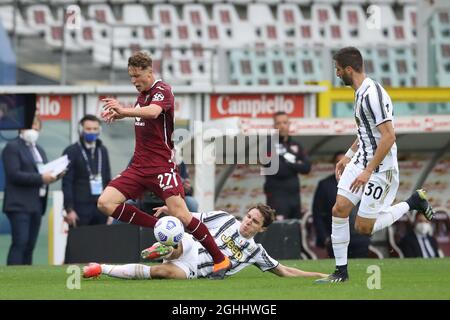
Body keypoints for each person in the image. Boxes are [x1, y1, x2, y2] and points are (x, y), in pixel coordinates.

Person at [97, 51, 230, 279]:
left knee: (183, 215)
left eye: (137, 76)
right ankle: (160, 227)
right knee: (105, 203)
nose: (134, 81)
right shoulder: (142, 96)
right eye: (131, 77)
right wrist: (121, 116)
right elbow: (144, 118)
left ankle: (220, 258)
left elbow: (153, 112)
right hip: (138, 166)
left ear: (150, 72)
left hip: (161, 167)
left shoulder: (162, 90)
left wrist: (124, 110)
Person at [316, 47, 435, 283]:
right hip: (361, 160)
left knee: (363, 228)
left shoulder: (373, 94)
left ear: (349, 69)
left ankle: (413, 202)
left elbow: (389, 136)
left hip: (380, 168)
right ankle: (341, 272)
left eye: (338, 69)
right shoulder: (360, 92)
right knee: (339, 209)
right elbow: (365, 132)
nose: (337, 74)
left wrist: (368, 171)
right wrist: (349, 155)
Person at [82, 204, 327, 280]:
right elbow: (189, 217)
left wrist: (317, 275)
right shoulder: (224, 218)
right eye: (248, 216)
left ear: (262, 229)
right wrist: (171, 208)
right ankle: (168, 245)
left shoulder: (255, 251)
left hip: (194, 270)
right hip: (189, 245)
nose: (247, 222)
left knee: (160, 272)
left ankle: (102, 268)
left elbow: (284, 271)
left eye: (254, 222)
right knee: (176, 232)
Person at [2, 116, 62, 265]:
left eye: (36, 125)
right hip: (19, 204)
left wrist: (55, 175)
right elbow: (14, 174)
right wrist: (41, 178)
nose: (33, 129)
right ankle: (12, 276)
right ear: (20, 128)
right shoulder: (12, 147)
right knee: (20, 242)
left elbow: (44, 172)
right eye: (29, 125)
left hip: (36, 203)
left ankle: (26, 275)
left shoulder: (39, 149)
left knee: (30, 245)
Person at [312, 152, 370, 258]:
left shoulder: (361, 181)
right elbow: (317, 214)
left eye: (348, 162)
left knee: (360, 270)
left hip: (359, 238)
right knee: (339, 271)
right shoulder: (325, 185)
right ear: (335, 164)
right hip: (336, 237)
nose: (344, 166)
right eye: (340, 162)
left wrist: (367, 233)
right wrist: (325, 238)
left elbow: (369, 207)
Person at [62, 114, 111, 227]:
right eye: (88, 129)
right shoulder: (71, 151)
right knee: (78, 243)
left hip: (100, 208)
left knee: (100, 242)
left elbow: (107, 179)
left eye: (95, 129)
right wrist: (69, 209)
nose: (92, 132)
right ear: (81, 130)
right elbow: (67, 183)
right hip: (80, 209)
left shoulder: (102, 150)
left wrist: (110, 207)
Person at [263, 111, 311, 220]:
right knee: (279, 231)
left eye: (285, 122)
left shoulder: (296, 145)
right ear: (274, 126)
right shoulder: (268, 145)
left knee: (294, 231)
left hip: (295, 197)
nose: (282, 126)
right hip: (277, 198)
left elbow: (307, 167)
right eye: (279, 123)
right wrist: (296, 163)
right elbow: (279, 170)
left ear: (289, 124)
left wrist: (287, 162)